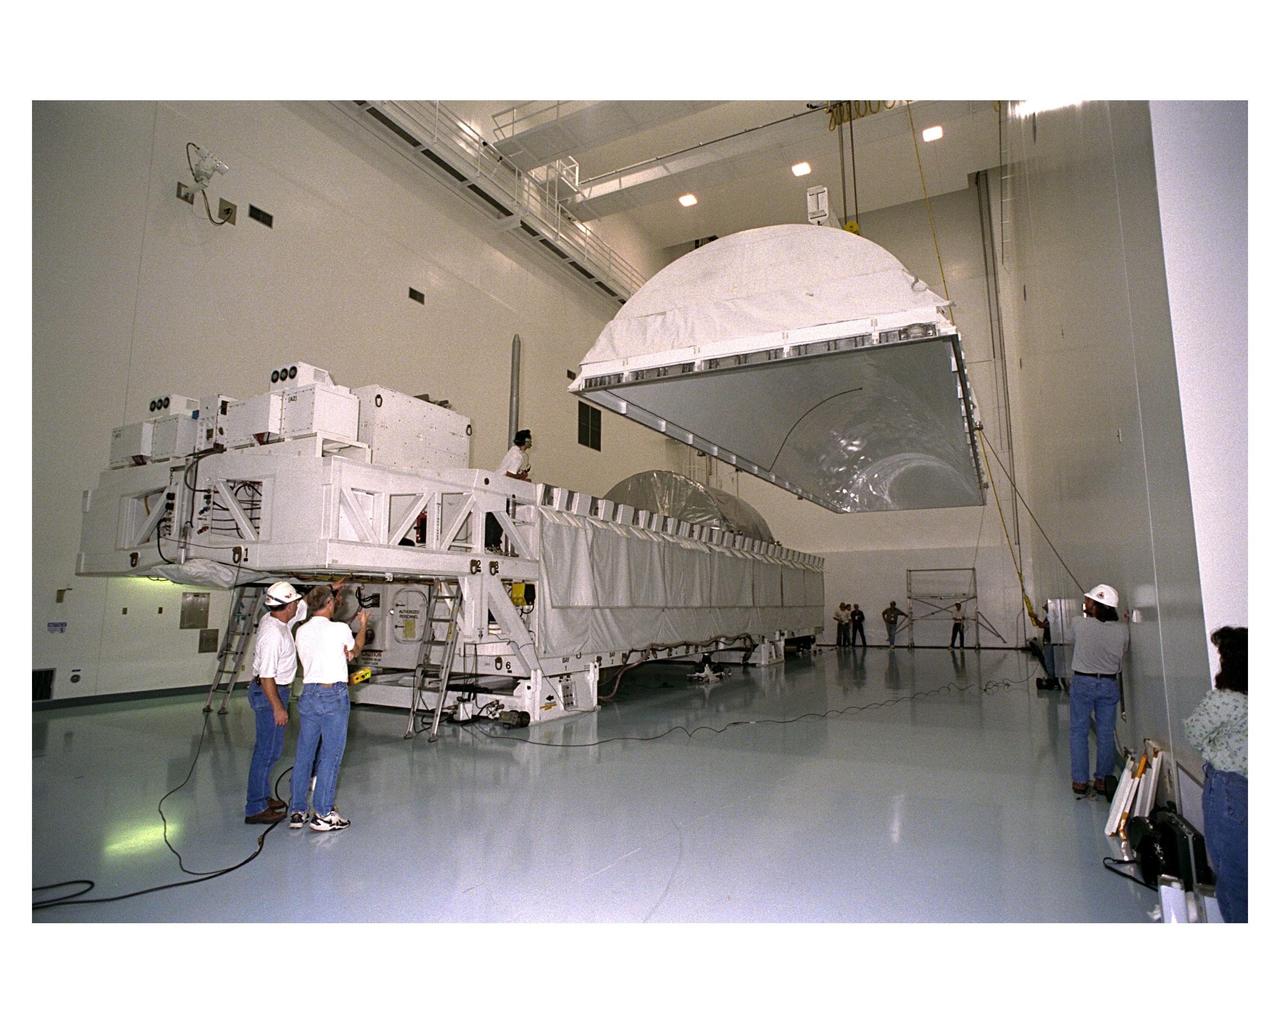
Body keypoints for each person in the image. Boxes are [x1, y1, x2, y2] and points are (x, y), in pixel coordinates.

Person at [288, 584, 367, 832]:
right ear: (330, 603)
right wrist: (363, 626)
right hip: (333, 695)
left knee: (304, 754)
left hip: (309, 693)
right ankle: (323, 813)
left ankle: (297, 810)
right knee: (330, 756)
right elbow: (355, 651)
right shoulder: (340, 629)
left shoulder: (300, 631)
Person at [1184, 626, 1247, 922]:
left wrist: (1215, 748)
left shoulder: (1226, 700)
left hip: (1230, 791)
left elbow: (1194, 733)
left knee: (1234, 875)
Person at [243, 580, 306, 825]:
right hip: (270, 693)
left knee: (271, 750)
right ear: (287, 605)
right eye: (295, 602)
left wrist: (329, 591)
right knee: (266, 752)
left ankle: (262, 796)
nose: (297, 605)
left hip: (275, 691)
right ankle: (255, 808)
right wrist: (278, 707)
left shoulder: (277, 620)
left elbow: (300, 611)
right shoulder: (272, 635)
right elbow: (266, 676)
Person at [1068, 584, 1129, 796]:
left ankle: (1080, 781)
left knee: (1079, 731)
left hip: (1083, 682)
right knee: (1105, 733)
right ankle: (1103, 779)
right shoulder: (1122, 630)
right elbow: (1123, 651)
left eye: (1089, 601)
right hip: (1108, 684)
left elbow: (1073, 639)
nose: (1085, 603)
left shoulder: (1078, 623)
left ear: (1096, 606)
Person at [486, 428, 533, 551]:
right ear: (526, 441)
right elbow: (509, 474)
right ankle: (493, 543)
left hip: (495, 485)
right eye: (529, 440)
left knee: (492, 515)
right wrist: (522, 477)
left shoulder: (512, 451)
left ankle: (490, 543)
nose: (531, 443)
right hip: (501, 489)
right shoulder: (518, 457)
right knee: (500, 517)